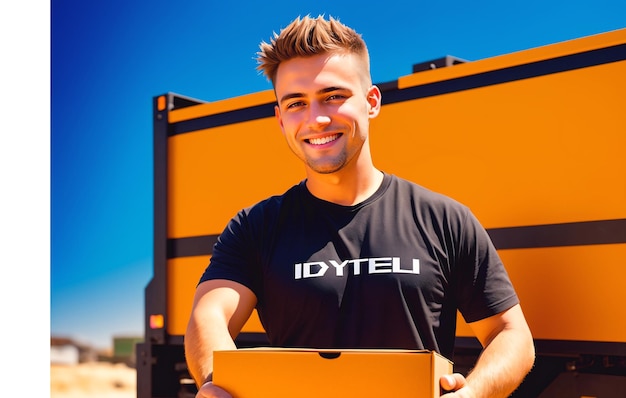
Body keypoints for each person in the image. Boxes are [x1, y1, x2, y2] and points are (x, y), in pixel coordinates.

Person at [185, 14, 535, 398]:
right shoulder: (256, 227)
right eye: (296, 103)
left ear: (371, 102)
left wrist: (472, 393)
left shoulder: (444, 219)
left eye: (333, 96)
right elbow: (210, 315)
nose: (316, 118)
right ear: (280, 118)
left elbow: (510, 333)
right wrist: (215, 382)